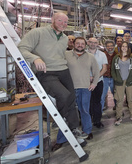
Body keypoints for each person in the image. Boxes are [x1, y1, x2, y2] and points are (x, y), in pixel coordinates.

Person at [18, 13, 88, 152]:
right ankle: (61, 121)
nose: (63, 23)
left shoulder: (64, 38)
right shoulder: (38, 32)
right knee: (63, 95)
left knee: (71, 98)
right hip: (46, 71)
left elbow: (60, 54)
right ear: (53, 20)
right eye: (60, 20)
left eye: (65, 21)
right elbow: (21, 48)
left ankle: (73, 128)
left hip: (63, 70)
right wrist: (35, 59)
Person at [65, 37, 100, 140]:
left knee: (84, 110)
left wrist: (94, 83)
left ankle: (87, 131)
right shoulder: (66, 55)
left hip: (85, 88)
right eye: (78, 43)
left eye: (82, 44)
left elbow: (96, 71)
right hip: (70, 89)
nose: (80, 45)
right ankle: (70, 131)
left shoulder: (90, 57)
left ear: (85, 45)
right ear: (73, 44)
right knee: (69, 112)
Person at [111, 41, 132, 125]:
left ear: (128, 48)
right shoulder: (116, 57)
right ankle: (119, 117)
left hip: (130, 81)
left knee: (130, 99)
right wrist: (116, 78)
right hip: (119, 81)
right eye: (123, 46)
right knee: (119, 100)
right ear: (120, 47)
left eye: (126, 46)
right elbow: (113, 70)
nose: (124, 48)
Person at [87, 37, 108, 129]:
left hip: (98, 82)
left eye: (95, 42)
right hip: (85, 82)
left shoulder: (102, 54)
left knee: (97, 101)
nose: (93, 44)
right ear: (88, 43)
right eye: (91, 42)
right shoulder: (83, 54)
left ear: (97, 44)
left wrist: (96, 78)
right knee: (86, 102)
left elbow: (104, 68)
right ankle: (87, 120)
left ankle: (97, 120)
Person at [101, 40, 117, 111]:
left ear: (114, 46)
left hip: (114, 78)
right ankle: (99, 112)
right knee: (102, 96)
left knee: (116, 95)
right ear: (106, 47)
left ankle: (117, 109)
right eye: (108, 46)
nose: (110, 47)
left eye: (111, 46)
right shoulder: (102, 55)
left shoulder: (117, 55)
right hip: (104, 77)